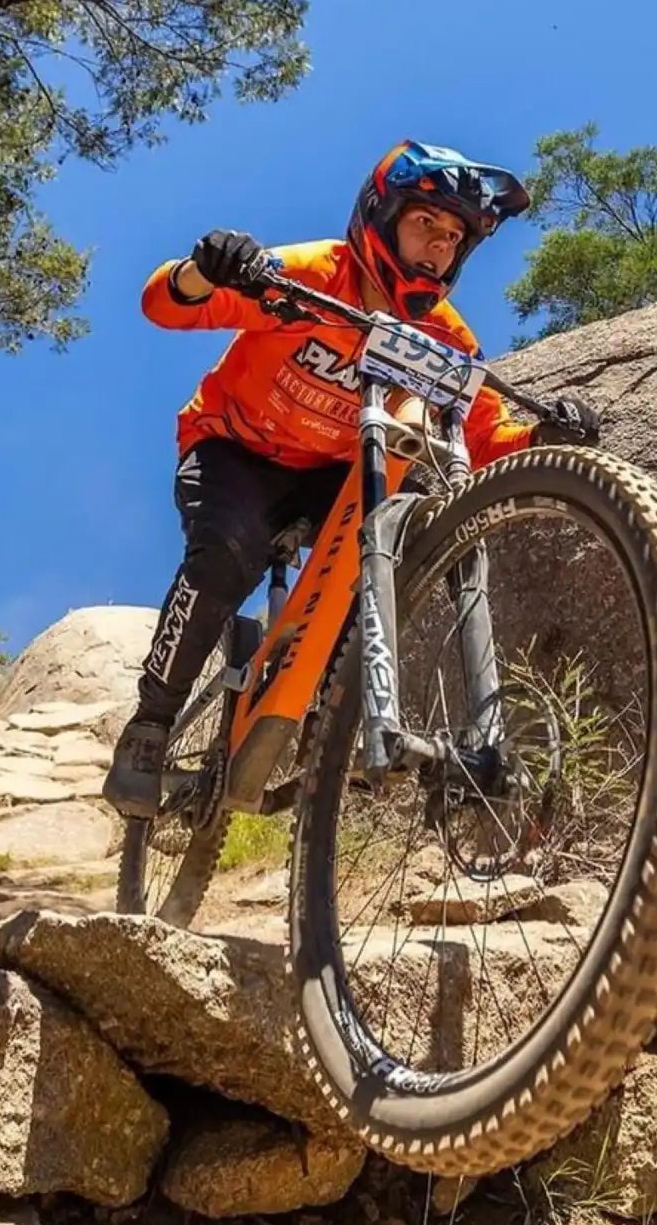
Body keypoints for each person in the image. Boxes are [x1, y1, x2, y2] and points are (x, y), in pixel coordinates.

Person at [102, 140, 602, 818]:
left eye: (454, 237)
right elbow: (166, 303)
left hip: (332, 474)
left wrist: (543, 437)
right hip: (233, 450)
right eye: (426, 223)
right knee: (225, 552)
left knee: (399, 540)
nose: (438, 247)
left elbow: (485, 439)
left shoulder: (448, 342)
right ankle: (151, 726)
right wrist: (206, 268)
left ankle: (328, 721)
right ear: (382, 215)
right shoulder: (311, 274)